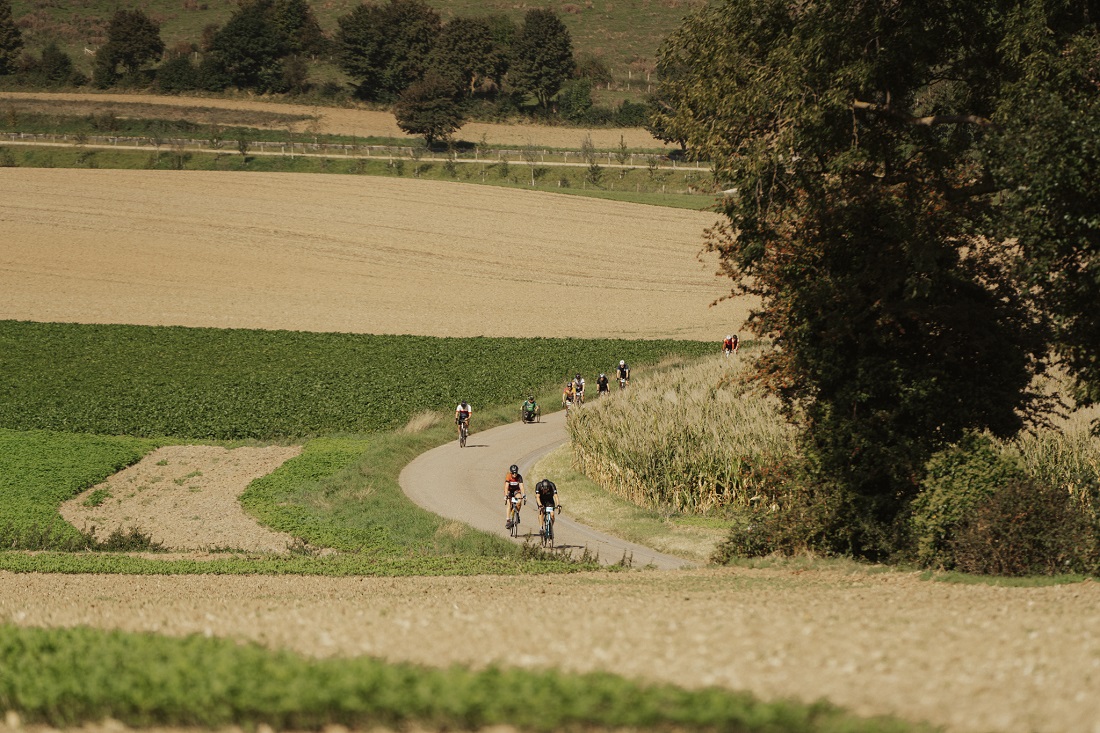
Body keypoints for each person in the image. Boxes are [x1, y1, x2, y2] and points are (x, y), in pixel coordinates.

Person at [504, 464, 525, 529]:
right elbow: (506, 487)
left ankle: (517, 513)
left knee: (519, 501)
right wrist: (506, 495)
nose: (515, 474)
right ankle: (508, 520)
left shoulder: (519, 477)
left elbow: (521, 487)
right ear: (511, 472)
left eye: (516, 473)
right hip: (509, 491)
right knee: (509, 504)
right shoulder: (508, 476)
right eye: (513, 473)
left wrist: (523, 495)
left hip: (516, 490)